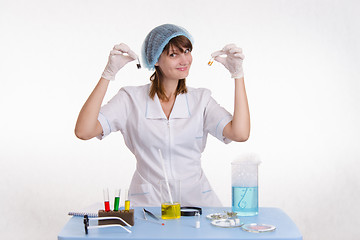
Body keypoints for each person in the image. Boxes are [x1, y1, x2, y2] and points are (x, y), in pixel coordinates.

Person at [75, 24, 250, 207]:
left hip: (197, 205)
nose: (184, 60)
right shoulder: (130, 100)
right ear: (155, 59)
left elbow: (240, 134)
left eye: (187, 51)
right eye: (174, 54)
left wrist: (238, 75)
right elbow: (84, 131)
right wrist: (108, 74)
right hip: (148, 206)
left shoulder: (201, 100)